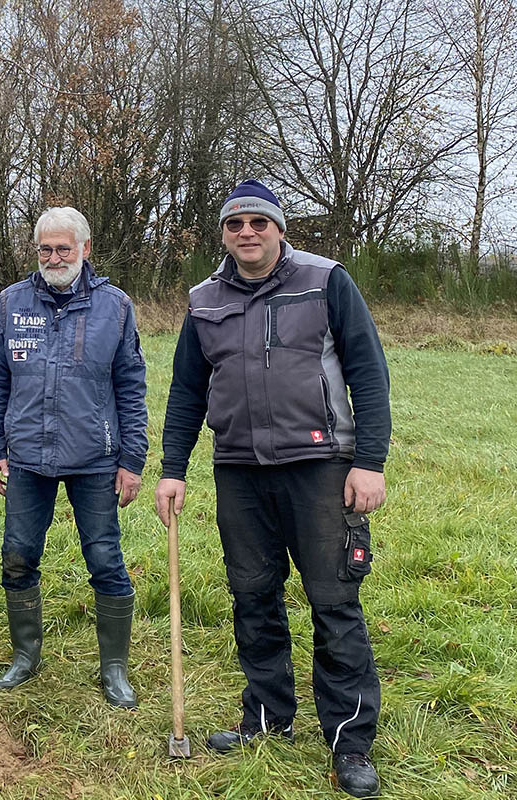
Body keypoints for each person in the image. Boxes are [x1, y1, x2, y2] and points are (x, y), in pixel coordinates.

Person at [153, 180, 389, 797]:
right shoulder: (204, 299)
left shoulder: (326, 280)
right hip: (239, 470)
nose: (247, 233)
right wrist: (173, 468)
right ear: (223, 234)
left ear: (279, 228)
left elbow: (368, 372)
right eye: (235, 224)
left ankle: (350, 741)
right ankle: (265, 717)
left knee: (333, 603)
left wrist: (370, 461)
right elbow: (186, 390)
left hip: (321, 467)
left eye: (260, 221)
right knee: (253, 598)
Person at [0, 206, 148, 706]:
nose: (54, 258)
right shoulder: (11, 304)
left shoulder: (115, 307)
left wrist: (132, 460)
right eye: (45, 250)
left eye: (63, 249)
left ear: (85, 250)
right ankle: (25, 656)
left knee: (106, 560)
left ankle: (114, 668)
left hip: (96, 457)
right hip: (27, 457)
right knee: (17, 557)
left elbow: (131, 386)